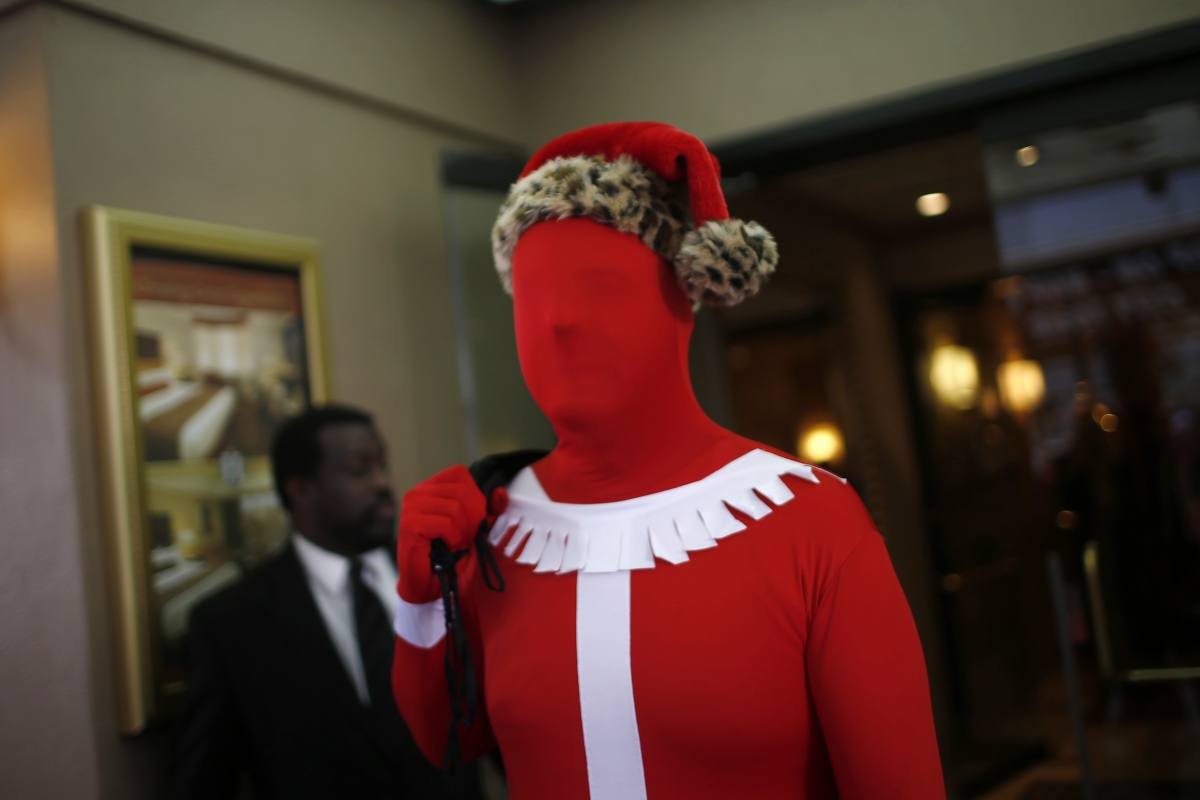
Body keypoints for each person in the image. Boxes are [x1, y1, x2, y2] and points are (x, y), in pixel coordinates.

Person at [391, 122, 945, 799]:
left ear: (686, 297)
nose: (559, 321)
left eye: (598, 284)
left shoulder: (810, 519)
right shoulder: (497, 527)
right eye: (533, 296)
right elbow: (447, 739)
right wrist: (421, 601)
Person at [172, 404, 481, 800]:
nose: (383, 482)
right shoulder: (234, 623)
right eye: (359, 470)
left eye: (382, 465)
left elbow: (504, 734)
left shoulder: (450, 580)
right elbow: (203, 780)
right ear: (301, 489)